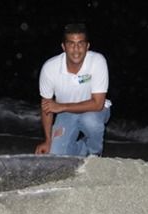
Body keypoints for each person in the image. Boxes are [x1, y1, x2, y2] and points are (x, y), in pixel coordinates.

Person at [35, 23, 111, 156]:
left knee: (90, 121)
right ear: (63, 47)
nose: (76, 49)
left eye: (80, 43)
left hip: (93, 110)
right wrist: (47, 140)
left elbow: (98, 104)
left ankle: (94, 154)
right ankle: (83, 150)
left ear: (87, 46)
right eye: (71, 44)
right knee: (55, 153)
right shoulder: (50, 68)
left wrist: (61, 106)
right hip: (66, 114)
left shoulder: (97, 61)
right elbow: (47, 107)